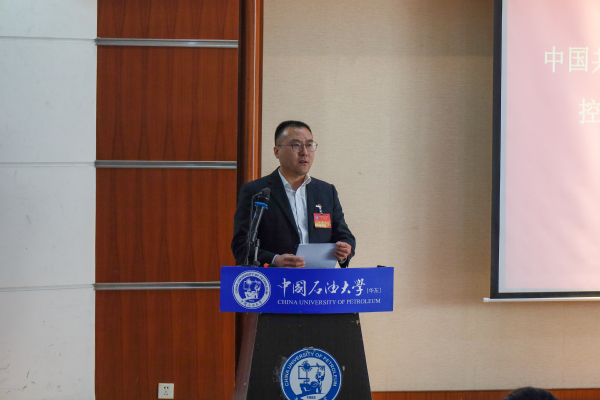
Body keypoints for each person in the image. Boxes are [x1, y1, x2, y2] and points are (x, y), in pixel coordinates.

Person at [231, 120, 355, 268]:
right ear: (277, 151)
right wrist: (275, 259)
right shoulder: (256, 191)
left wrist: (345, 249)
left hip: (318, 279)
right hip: (276, 278)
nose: (304, 152)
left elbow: (344, 236)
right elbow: (241, 245)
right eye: (296, 145)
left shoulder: (326, 191)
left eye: (309, 145)